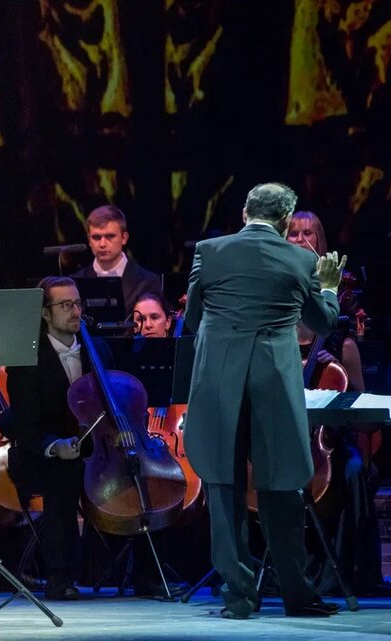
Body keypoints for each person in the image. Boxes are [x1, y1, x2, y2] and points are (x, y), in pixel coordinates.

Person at [183, 182, 345, 619]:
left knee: (223, 487)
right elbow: (322, 322)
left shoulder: (208, 251)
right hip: (273, 382)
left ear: (244, 213)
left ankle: (239, 597)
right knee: (281, 489)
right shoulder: (301, 259)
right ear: (286, 221)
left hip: (218, 383)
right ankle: (298, 594)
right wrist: (329, 287)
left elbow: (193, 318)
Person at [287, 212, 385, 595]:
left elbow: (365, 421)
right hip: (283, 439)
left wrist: (339, 378)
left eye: (308, 233)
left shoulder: (340, 342)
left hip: (328, 444)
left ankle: (346, 570)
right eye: (292, 233)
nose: (299, 239)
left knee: (355, 469)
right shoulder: (275, 327)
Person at [0, 276, 111, 600]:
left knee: (137, 471)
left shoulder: (99, 350)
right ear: (45, 313)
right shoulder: (26, 360)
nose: (76, 311)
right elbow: (24, 424)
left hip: (96, 450)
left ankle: (147, 574)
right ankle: (59, 577)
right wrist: (54, 446)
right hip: (40, 455)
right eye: (66, 305)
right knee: (63, 473)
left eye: (77, 303)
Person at [73, 205, 162, 313]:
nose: (102, 244)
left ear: (124, 238)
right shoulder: (74, 283)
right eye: (96, 237)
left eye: (110, 236)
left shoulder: (148, 282)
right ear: (89, 240)